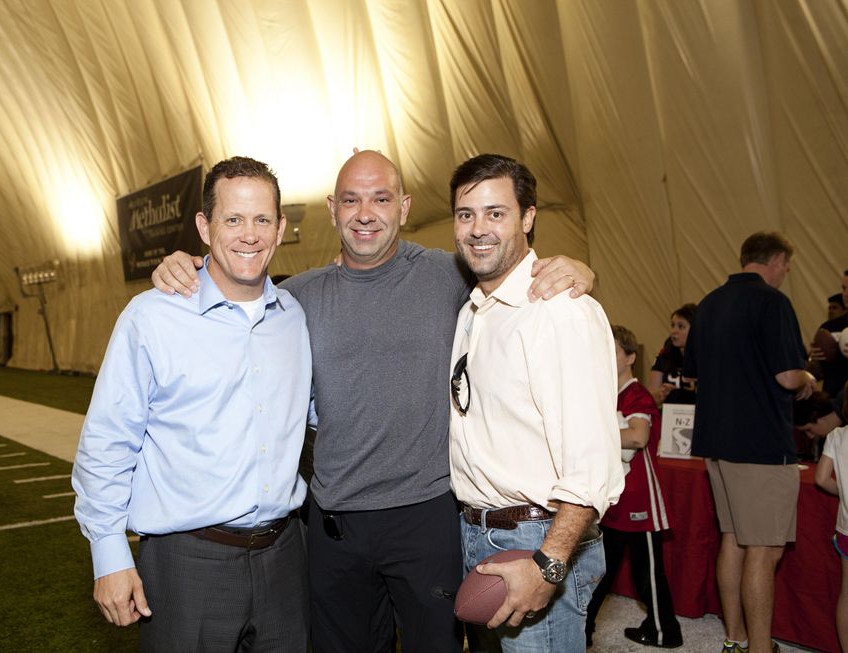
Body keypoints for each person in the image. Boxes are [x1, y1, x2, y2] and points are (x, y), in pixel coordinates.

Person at [151, 149, 596, 653]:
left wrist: (577, 269)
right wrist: (184, 264)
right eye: (351, 200)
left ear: (404, 207)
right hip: (334, 524)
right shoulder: (295, 298)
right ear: (331, 207)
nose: (365, 213)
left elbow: (513, 268)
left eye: (381, 199)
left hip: (428, 516)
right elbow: (230, 285)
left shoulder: (451, 274)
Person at [72, 156, 312, 651]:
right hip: (188, 563)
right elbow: (107, 441)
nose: (249, 234)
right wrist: (110, 554)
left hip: (284, 557)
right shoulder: (153, 317)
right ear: (204, 227)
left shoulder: (294, 316)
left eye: (262, 219)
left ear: (281, 227)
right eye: (233, 219)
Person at [447, 153, 623, 652]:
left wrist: (548, 563)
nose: (479, 228)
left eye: (496, 213)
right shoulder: (473, 311)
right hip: (479, 533)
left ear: (527, 217)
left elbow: (592, 464)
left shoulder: (559, 312)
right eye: (466, 214)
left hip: (538, 540)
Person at [683, 231, 817, 653]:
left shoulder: (708, 304)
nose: (787, 273)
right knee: (763, 549)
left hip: (716, 442)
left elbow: (692, 375)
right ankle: (761, 649)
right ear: (776, 259)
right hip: (760, 444)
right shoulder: (773, 303)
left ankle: (734, 640)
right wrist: (809, 378)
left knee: (734, 539)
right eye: (787, 265)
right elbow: (788, 377)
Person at [586, 325, 682, 649]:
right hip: (615, 493)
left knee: (647, 570)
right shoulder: (605, 395)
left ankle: (664, 630)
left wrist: (598, 433)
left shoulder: (636, 394)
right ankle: (583, 626)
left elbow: (638, 437)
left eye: (612, 350)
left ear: (630, 357)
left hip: (639, 491)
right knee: (601, 566)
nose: (605, 357)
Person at [815, 384, 848, 653]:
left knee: (846, 596)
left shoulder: (837, 435)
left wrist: (844, 492)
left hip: (846, 529)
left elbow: (821, 478)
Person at [648, 304, 697, 406]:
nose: (674, 331)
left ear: (695, 329)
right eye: (672, 325)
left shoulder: (707, 357)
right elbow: (651, 397)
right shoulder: (665, 355)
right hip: (670, 416)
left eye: (681, 326)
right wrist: (661, 394)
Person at [812, 271, 848, 393]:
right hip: (833, 400)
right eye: (844, 288)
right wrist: (814, 360)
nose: (846, 294)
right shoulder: (829, 327)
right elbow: (817, 373)